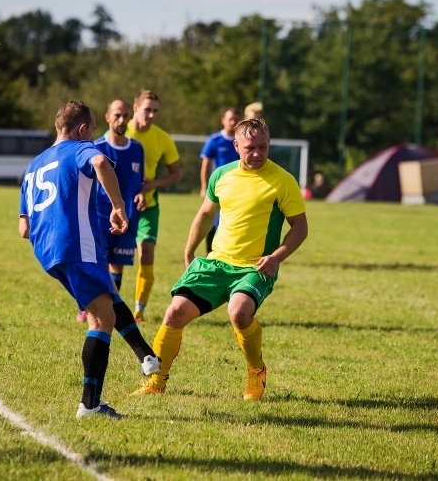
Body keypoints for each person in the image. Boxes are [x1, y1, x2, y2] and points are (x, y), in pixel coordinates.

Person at [133, 117, 308, 401]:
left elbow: (300, 227)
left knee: (239, 312)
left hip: (254, 266)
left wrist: (276, 257)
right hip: (216, 262)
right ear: (236, 146)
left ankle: (256, 370)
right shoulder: (222, 175)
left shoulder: (282, 181)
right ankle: (157, 381)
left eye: (263, 147)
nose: (258, 154)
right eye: (250, 148)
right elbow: (205, 215)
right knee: (174, 312)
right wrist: (190, 251)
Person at [19, 100, 130, 419]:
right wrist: (118, 205)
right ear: (82, 130)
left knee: (104, 312)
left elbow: (23, 227)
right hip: (73, 244)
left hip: (47, 251)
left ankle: (95, 400)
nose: (93, 136)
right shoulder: (78, 149)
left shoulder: (35, 164)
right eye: (92, 130)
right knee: (102, 320)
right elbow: (101, 163)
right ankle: (90, 405)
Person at [86, 99, 159, 375]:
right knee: (98, 264)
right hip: (100, 217)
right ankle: (93, 307)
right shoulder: (97, 148)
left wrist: (139, 196)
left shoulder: (136, 149)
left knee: (116, 266)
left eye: (126, 116)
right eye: (118, 115)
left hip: (128, 218)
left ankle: (106, 307)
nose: (122, 120)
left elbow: (136, 182)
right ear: (107, 117)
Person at [125, 89, 182, 323]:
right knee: (112, 260)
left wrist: (153, 184)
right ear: (135, 107)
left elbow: (176, 174)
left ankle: (138, 312)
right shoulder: (121, 132)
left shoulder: (162, 138)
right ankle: (101, 306)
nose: (151, 115)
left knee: (146, 255)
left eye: (155, 111)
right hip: (120, 206)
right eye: (147, 109)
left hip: (148, 207)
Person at [199, 107, 240, 254]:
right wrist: (204, 187)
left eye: (235, 119)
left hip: (238, 190)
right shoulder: (215, 140)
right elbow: (205, 166)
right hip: (218, 189)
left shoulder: (241, 141)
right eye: (230, 119)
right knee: (213, 222)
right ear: (223, 120)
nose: (232, 122)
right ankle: (210, 253)